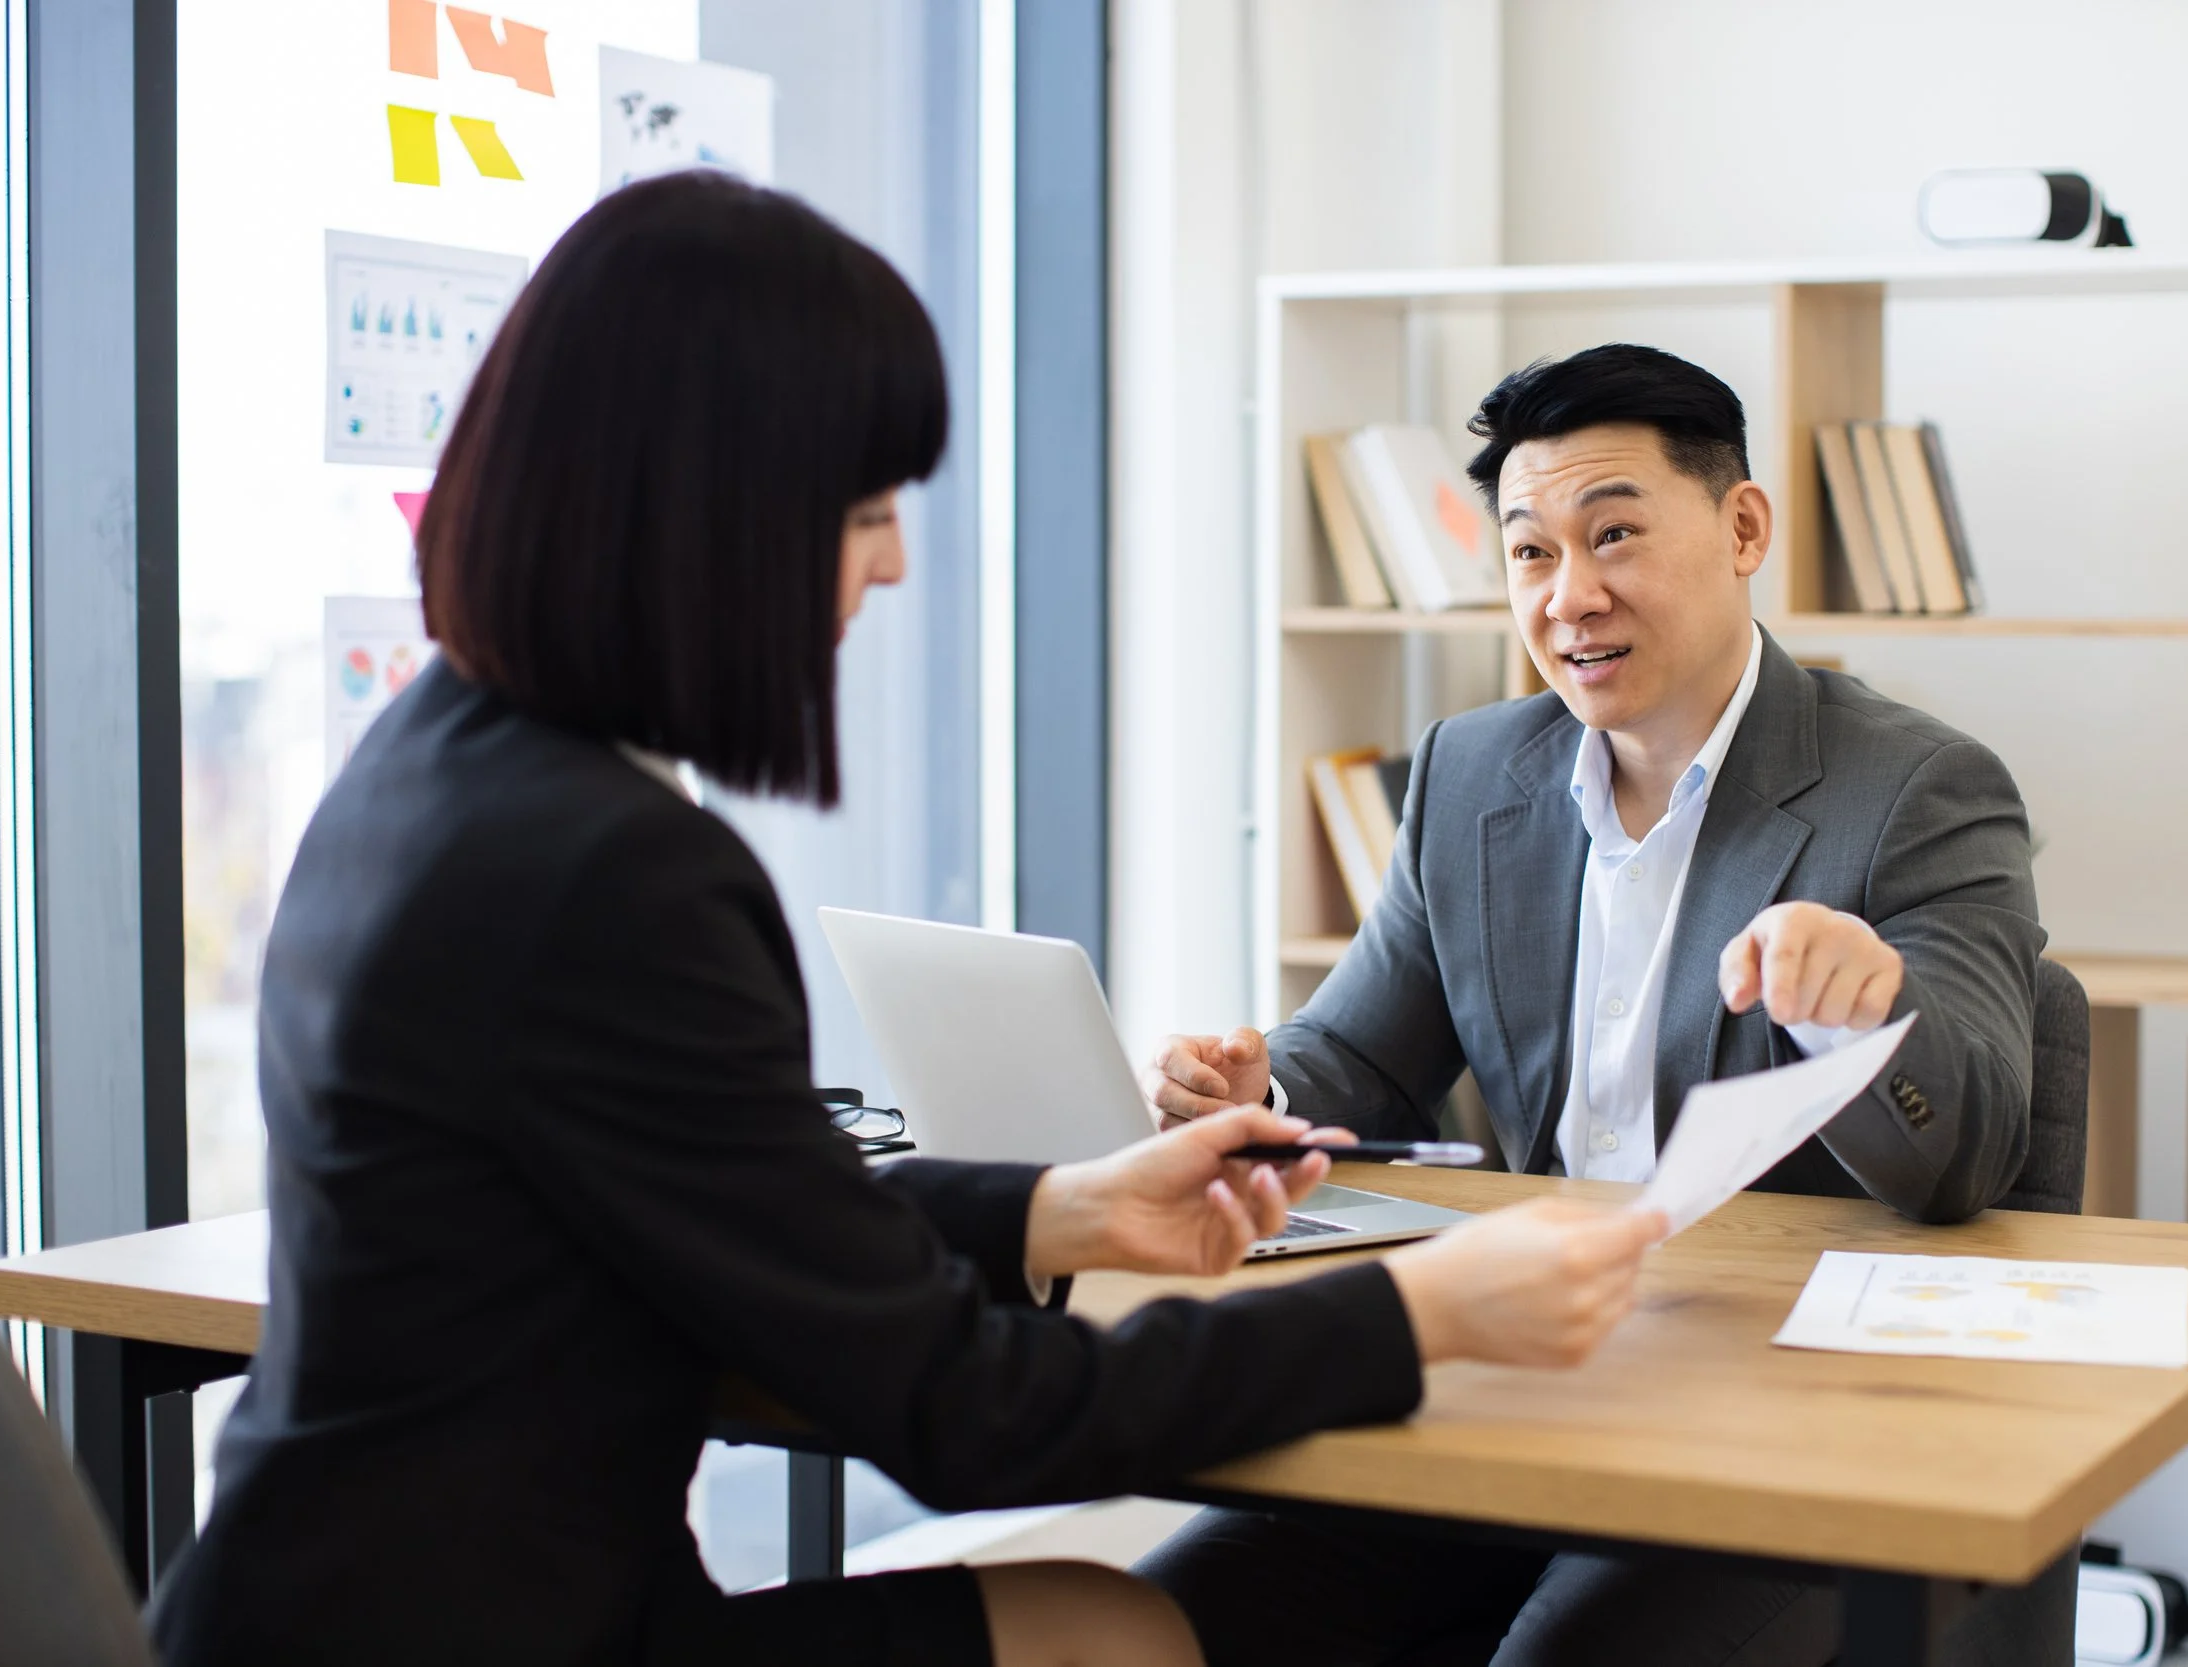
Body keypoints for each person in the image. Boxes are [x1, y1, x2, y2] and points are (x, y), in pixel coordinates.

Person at [147, 176, 1670, 1667]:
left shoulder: (431, 767)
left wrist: (1058, 1208)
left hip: (321, 1596)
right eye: (864, 504)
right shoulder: (610, 873)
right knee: (1113, 1630)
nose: (889, 559)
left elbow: (730, 1193)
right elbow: (968, 1416)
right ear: (707, 509)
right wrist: (1418, 1307)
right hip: (510, 1632)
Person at [1135, 344, 2073, 1665]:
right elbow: (1358, 1047)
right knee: (1181, 1615)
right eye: (1531, 553)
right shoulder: (1473, 774)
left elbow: (1974, 1148)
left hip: (1780, 1417)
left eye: (1616, 533)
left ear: (1743, 527)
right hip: (1523, 1370)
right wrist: (1259, 1092)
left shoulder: (1917, 787)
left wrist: (1863, 1017)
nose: (1572, 595)